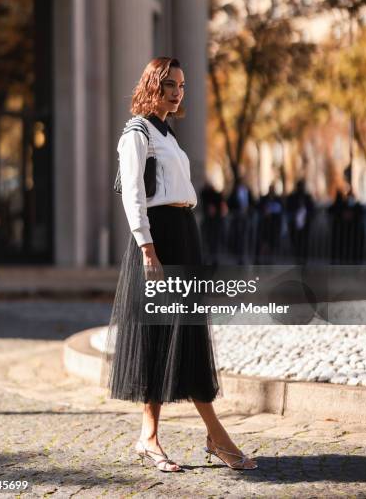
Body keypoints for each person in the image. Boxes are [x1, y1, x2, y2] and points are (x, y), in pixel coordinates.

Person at [107, 57, 258, 472]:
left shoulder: (167, 134)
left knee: (176, 337)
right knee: (170, 338)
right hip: (160, 242)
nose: (178, 91)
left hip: (182, 236)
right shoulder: (137, 133)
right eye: (170, 84)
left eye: (182, 85)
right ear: (153, 84)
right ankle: (214, 437)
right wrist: (147, 248)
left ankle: (150, 437)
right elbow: (132, 194)